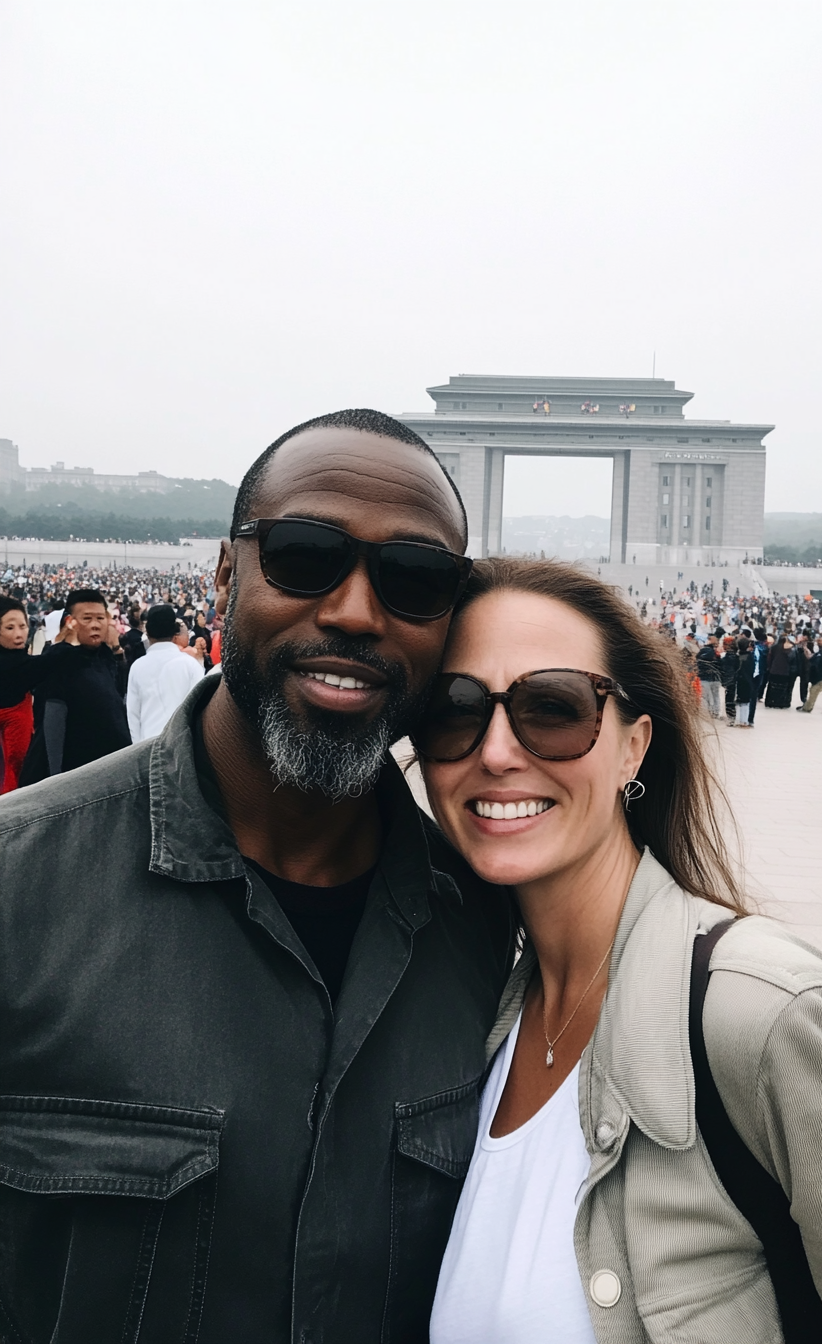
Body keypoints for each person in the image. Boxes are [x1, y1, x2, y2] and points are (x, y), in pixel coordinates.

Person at [0, 409, 515, 1343]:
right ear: (225, 573)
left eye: (414, 579)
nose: (356, 611)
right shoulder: (17, 885)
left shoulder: (489, 922)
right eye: (304, 556)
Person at [416, 556, 822, 1343]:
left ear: (634, 747)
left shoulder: (767, 1018)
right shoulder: (477, 1018)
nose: (496, 752)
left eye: (555, 708)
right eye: (453, 710)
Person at [17, 587, 131, 784]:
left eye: (100, 618)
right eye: (87, 618)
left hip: (111, 769)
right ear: (71, 622)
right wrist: (55, 779)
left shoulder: (104, 656)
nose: (95, 625)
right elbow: (53, 723)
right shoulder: (60, 659)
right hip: (76, 773)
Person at [0, 597, 62, 792]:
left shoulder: (22, 661)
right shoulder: (16, 665)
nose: (19, 634)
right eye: (10, 628)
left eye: (23, 626)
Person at [126, 603, 206, 741]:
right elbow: (201, 710)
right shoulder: (190, 664)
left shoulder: (137, 667)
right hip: (183, 744)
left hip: (148, 745)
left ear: (148, 632)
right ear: (174, 633)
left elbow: (133, 716)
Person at [797, 635, 822, 714]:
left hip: (820, 678)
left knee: (813, 692)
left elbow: (812, 660)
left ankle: (807, 708)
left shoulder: (821, 654)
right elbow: (811, 657)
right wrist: (805, 648)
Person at [695, 633, 722, 717]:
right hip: (715, 678)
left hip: (704, 677)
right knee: (716, 696)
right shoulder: (717, 653)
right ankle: (716, 712)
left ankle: (707, 712)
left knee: (705, 696)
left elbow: (697, 660)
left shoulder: (703, 651)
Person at [764, 631, 793, 708]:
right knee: (782, 688)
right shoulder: (790, 649)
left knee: (772, 687)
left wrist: (769, 667)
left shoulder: (774, 647)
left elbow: (769, 658)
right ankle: (780, 703)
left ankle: (770, 702)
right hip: (785, 671)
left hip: (774, 670)